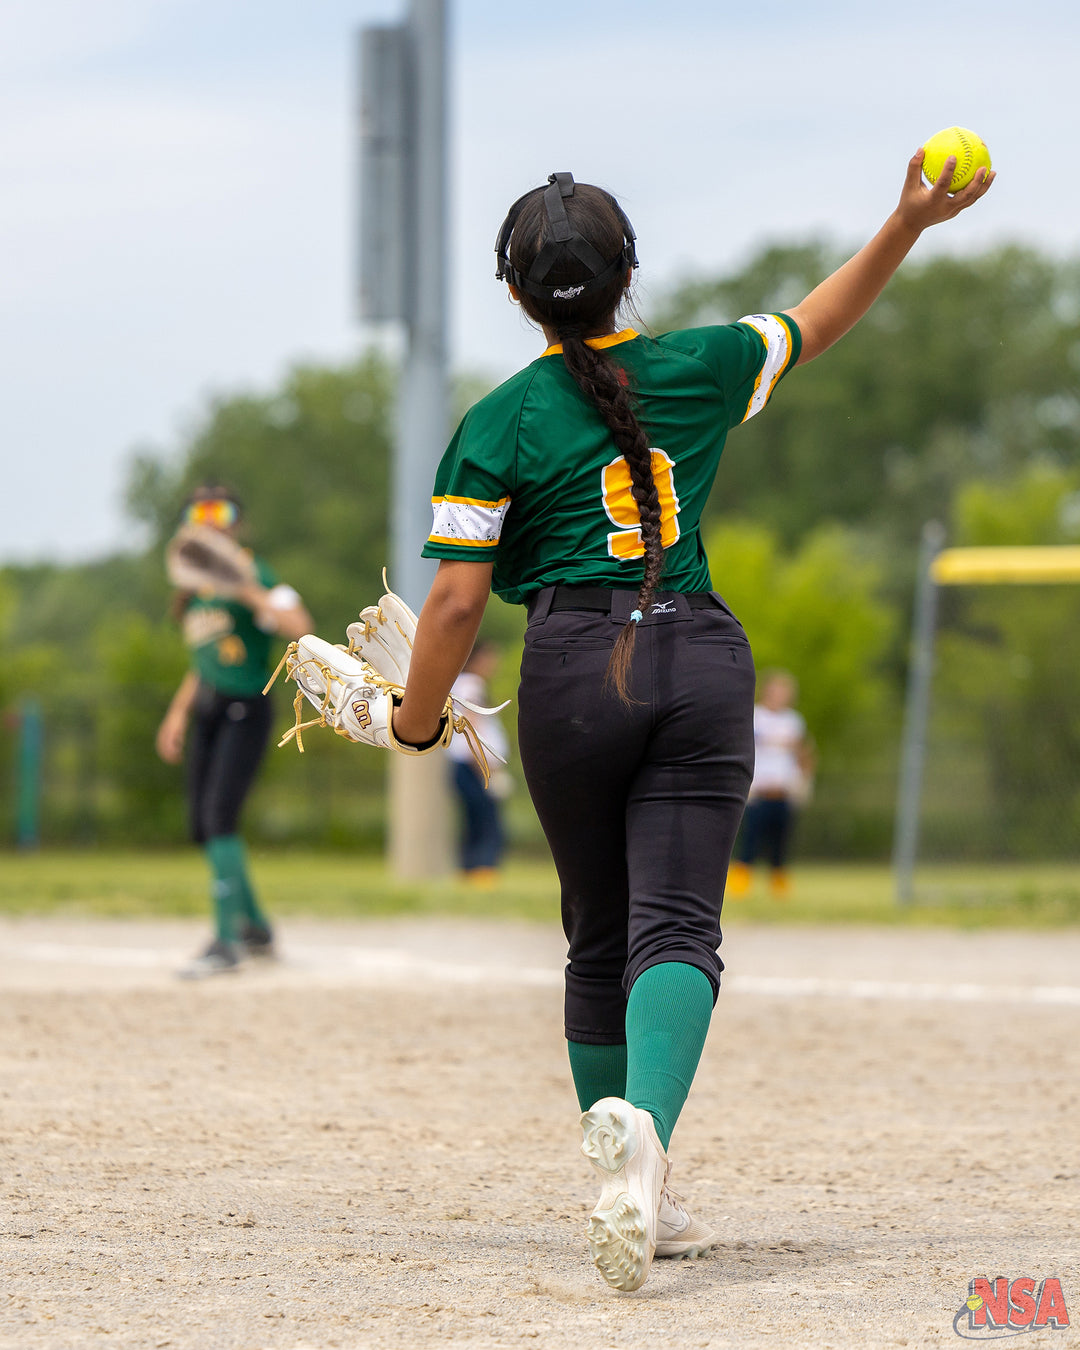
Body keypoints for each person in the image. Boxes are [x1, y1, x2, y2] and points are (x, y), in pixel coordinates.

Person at [316, 152, 992, 1288]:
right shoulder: (700, 364)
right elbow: (818, 322)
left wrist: (418, 725)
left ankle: (621, 1169)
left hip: (576, 665)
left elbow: (456, 602)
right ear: (629, 274)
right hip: (700, 655)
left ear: (515, 290)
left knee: (597, 935)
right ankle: (650, 1159)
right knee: (677, 931)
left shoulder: (497, 420)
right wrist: (908, 217)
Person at [156, 486, 313, 978]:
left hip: (246, 706)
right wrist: (177, 713)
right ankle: (256, 929)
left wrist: (244, 587)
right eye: (197, 512)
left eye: (219, 512)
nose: (208, 521)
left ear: (237, 523)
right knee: (203, 826)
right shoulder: (193, 587)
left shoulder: (252, 570)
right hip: (208, 707)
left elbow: (298, 624)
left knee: (219, 816)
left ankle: (226, 942)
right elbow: (203, 662)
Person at [728, 669, 815, 898]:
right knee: (750, 840)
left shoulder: (793, 720)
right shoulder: (755, 716)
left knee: (780, 843)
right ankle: (739, 885)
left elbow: (802, 754)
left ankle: (778, 888)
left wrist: (803, 781)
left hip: (782, 791)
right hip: (758, 791)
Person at [447, 640, 509, 885]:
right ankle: (482, 870)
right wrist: (486, 765)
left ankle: (470, 870)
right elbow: (473, 725)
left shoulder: (458, 684)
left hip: (463, 764)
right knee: (486, 820)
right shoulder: (472, 684)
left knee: (473, 819)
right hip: (474, 765)